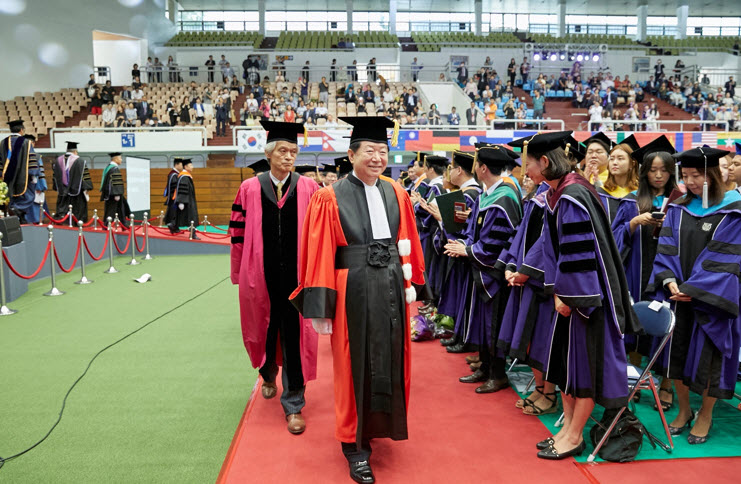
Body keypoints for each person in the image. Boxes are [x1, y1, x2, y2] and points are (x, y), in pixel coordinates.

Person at [289, 116, 425, 484]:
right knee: (352, 365)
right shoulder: (329, 197)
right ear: (351, 155)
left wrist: (416, 283)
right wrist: (322, 306)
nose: (377, 157)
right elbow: (318, 253)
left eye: (383, 151)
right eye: (370, 151)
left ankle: (382, 425)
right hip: (353, 289)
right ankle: (353, 445)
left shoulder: (396, 192)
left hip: (392, 288)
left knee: (391, 359)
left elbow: (408, 241)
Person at [510, 131, 638, 459]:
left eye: (528, 164)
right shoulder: (558, 193)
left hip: (587, 302)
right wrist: (543, 281)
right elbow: (553, 249)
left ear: (545, 162)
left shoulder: (572, 196)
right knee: (566, 367)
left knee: (583, 369)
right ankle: (567, 428)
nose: (525, 172)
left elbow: (579, 255)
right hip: (570, 298)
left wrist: (568, 297)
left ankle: (575, 435)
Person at [230, 120, 321, 434]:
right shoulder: (249, 188)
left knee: (295, 338)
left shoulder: (310, 188)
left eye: (293, 152)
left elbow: (320, 235)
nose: (289, 157)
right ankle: (268, 374)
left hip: (298, 280)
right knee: (265, 331)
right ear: (269, 154)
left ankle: (294, 402)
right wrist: (239, 273)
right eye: (283, 151)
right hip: (261, 277)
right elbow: (238, 235)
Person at [649, 146, 741, 445]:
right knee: (675, 354)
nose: (689, 182)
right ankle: (685, 409)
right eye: (685, 176)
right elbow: (667, 248)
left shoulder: (734, 210)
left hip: (711, 299)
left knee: (709, 360)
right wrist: (669, 279)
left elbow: (727, 257)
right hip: (678, 296)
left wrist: (694, 289)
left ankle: (706, 414)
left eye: (696, 176)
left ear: (713, 174)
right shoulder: (678, 208)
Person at [444, 145, 522, 391]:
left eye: (477, 165)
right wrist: (463, 243)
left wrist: (468, 251)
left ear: (483, 168)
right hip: (481, 270)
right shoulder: (485, 195)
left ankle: (498, 374)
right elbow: (473, 231)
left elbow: (498, 242)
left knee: (494, 325)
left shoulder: (504, 199)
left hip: (495, 274)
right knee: (482, 322)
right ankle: (485, 367)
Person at [1, 120, 37, 223]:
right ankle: (18, 211)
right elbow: (32, 160)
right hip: (23, 177)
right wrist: (33, 175)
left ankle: (14, 214)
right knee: (26, 196)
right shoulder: (26, 142)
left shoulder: (3, 143)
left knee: (9, 196)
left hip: (7, 178)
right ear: (21, 130)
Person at [597, 139, 639, 222]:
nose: (615, 162)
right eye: (612, 159)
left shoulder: (640, 192)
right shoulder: (601, 193)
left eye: (620, 158)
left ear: (632, 163)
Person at [53, 141, 92, 222]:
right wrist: (87, 188)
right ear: (75, 151)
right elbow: (85, 178)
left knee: (63, 214)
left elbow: (55, 177)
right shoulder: (80, 161)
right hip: (77, 195)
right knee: (77, 216)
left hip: (62, 194)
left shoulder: (58, 160)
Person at [168, 159, 198, 237]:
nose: (192, 167)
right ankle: (193, 233)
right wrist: (181, 201)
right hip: (187, 201)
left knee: (181, 215)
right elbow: (182, 190)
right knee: (191, 216)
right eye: (191, 165)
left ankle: (173, 225)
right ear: (185, 166)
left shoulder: (185, 175)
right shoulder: (184, 177)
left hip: (186, 200)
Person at [100, 153, 130, 228]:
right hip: (113, 194)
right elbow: (115, 182)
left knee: (121, 208)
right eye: (120, 158)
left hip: (110, 193)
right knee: (111, 210)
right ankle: (106, 225)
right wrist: (116, 193)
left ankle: (123, 224)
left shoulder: (109, 167)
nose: (121, 160)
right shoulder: (114, 169)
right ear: (115, 159)